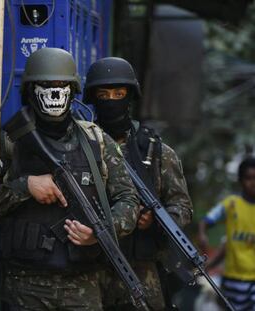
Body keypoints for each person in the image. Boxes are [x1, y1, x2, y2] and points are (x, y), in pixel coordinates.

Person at [0, 48, 140, 311]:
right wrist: (25, 186)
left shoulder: (96, 140)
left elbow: (128, 200)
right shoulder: (9, 142)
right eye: (47, 86)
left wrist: (101, 232)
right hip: (23, 286)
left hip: (82, 286)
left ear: (72, 91)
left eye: (62, 86)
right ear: (31, 90)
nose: (55, 93)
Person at [83, 57, 193, 310]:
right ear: (94, 98)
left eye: (119, 93)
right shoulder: (81, 146)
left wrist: (156, 221)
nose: (112, 100)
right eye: (104, 94)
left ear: (130, 96)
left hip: (141, 269)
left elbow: (182, 207)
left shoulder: (156, 153)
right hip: (90, 269)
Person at [198, 157, 255, 311]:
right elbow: (207, 220)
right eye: (249, 178)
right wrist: (202, 234)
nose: (253, 183)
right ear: (241, 180)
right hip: (232, 280)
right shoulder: (231, 204)